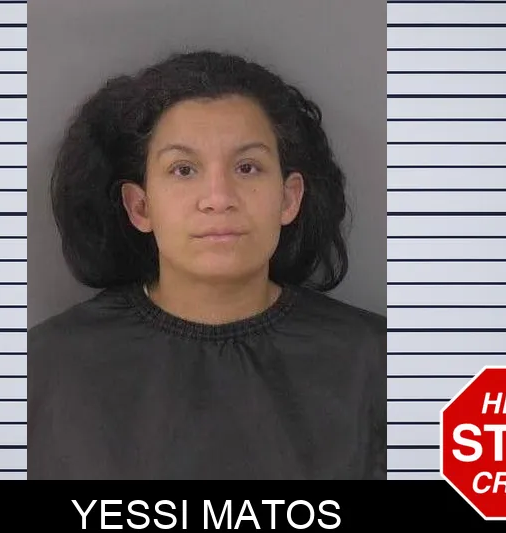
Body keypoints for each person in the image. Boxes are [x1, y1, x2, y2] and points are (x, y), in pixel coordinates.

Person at [28, 50, 386, 480]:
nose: (218, 198)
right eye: (183, 170)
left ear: (288, 198)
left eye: (247, 167)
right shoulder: (47, 367)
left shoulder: (379, 364)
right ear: (140, 206)